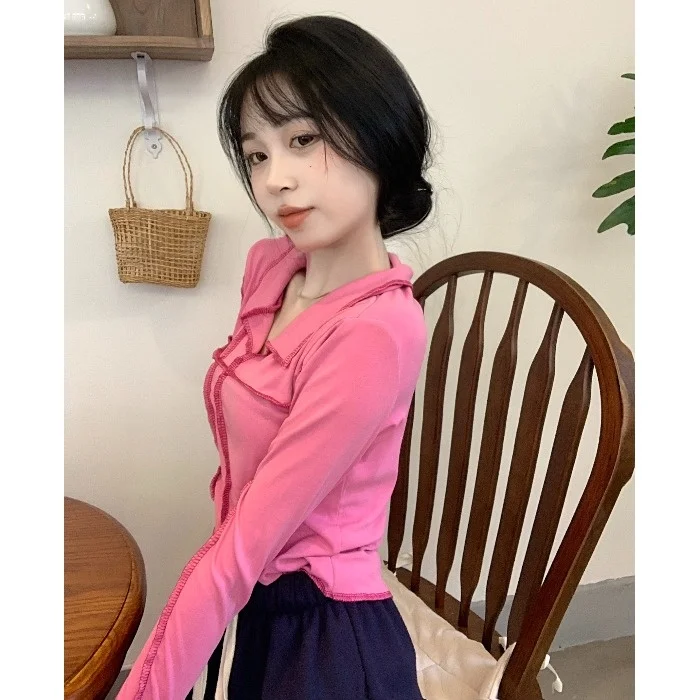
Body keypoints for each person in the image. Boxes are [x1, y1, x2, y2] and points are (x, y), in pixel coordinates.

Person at [117, 14, 433, 700]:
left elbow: (243, 549)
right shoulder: (271, 268)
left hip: (326, 636)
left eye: (303, 140)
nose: (274, 180)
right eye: (257, 155)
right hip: (258, 601)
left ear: (379, 135)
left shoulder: (377, 331)